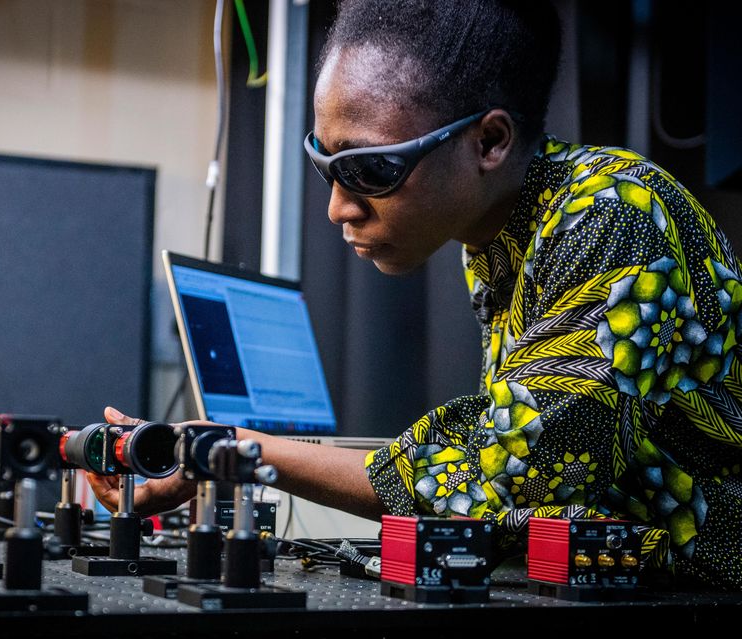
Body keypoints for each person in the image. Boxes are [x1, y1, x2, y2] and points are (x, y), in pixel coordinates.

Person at [90, 0, 742, 590]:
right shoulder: (497, 235)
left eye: (370, 169)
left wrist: (230, 446)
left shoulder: (614, 215)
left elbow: (505, 476)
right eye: (325, 165)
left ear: (488, 141)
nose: (338, 208)